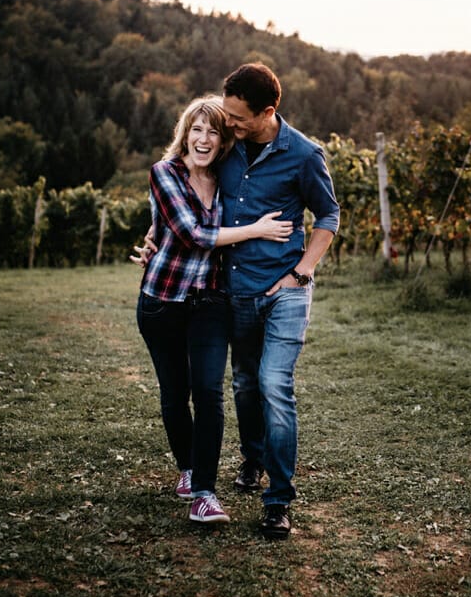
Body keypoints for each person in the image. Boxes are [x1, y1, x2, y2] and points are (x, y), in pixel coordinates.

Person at [134, 95, 293, 524]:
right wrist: (256, 230)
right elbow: (192, 233)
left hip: (209, 300)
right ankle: (187, 468)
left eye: (213, 131)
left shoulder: (226, 178)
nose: (204, 139)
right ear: (185, 134)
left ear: (223, 140)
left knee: (208, 392)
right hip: (163, 301)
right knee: (175, 393)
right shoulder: (165, 172)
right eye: (197, 129)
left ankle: (204, 493)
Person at [219, 63, 340, 540]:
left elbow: (328, 215)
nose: (230, 123)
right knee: (245, 384)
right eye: (227, 113)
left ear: (268, 112)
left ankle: (278, 500)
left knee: (274, 384)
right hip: (236, 290)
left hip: (286, 290)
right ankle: (253, 459)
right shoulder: (225, 144)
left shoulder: (304, 154)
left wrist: (302, 271)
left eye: (239, 117)